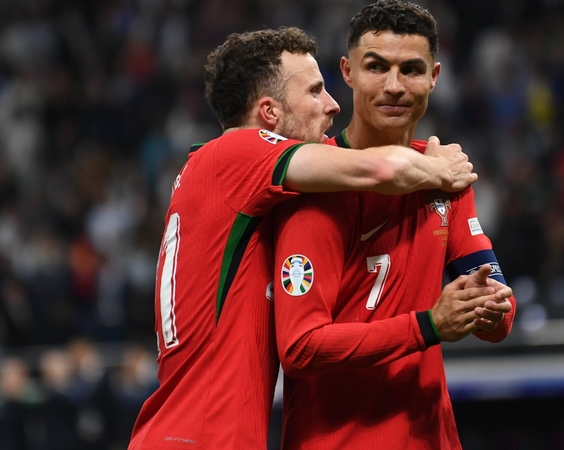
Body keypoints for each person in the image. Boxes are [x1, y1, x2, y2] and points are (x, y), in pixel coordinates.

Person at [128, 26, 479, 450]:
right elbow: (380, 170)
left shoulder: (224, 181)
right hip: (202, 435)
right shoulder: (236, 154)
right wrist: (442, 167)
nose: (332, 105)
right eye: (315, 91)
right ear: (270, 114)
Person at [272, 2, 517, 448]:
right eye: (376, 67)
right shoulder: (315, 185)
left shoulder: (447, 176)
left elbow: (498, 322)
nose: (394, 86)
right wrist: (428, 325)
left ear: (435, 77)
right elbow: (301, 348)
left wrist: (488, 304)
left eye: (411, 69)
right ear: (346, 72)